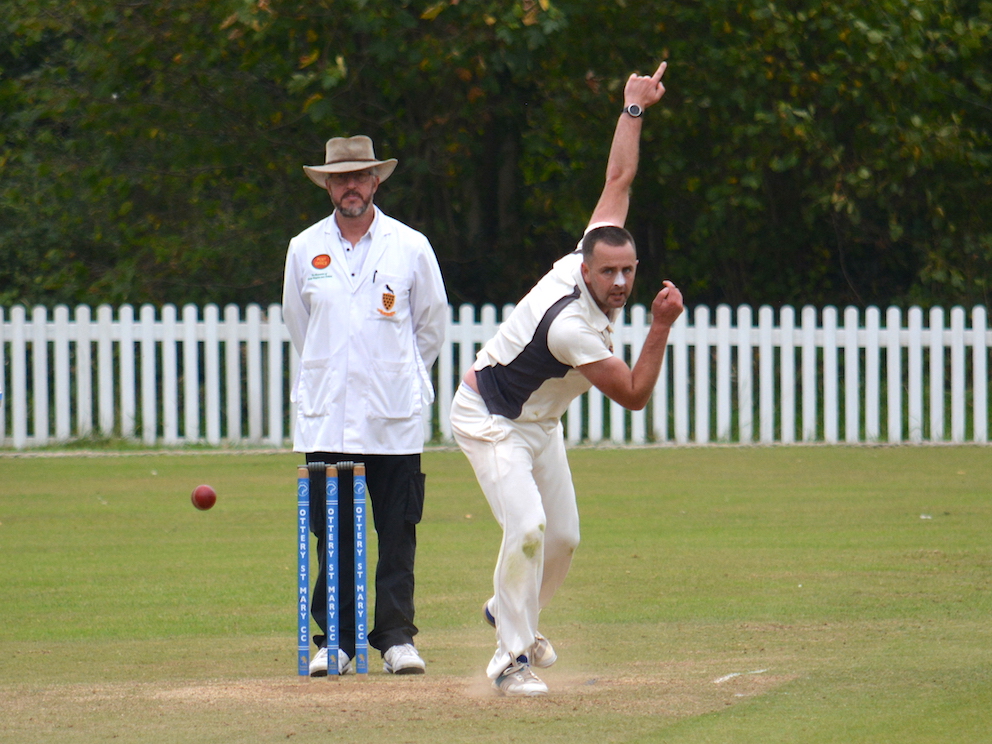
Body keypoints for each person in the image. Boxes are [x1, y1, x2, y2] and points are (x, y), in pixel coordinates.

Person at [449, 61, 683, 697]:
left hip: (538, 421)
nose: (621, 284)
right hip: (489, 418)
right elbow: (633, 396)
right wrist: (660, 325)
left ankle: (509, 613)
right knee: (526, 529)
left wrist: (633, 107)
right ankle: (509, 661)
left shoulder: (596, 248)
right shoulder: (569, 326)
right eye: (609, 273)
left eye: (629, 271)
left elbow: (619, 178)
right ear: (584, 269)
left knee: (566, 538)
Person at [282, 135, 447, 676]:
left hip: (393, 417)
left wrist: (394, 374)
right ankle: (340, 641)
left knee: (397, 530)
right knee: (334, 532)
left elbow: (430, 327)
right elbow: (301, 329)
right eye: (339, 177)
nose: (350, 186)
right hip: (327, 417)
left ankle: (397, 638)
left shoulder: (410, 245)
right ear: (328, 184)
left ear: (376, 182)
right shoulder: (304, 247)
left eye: (359, 177)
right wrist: (336, 376)